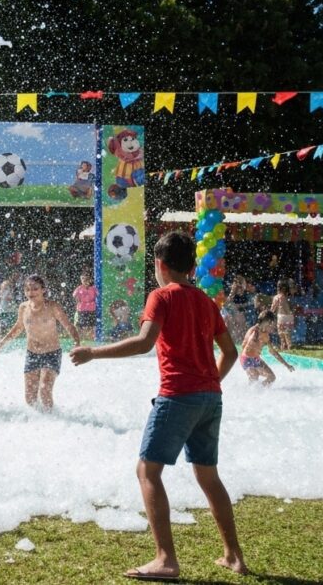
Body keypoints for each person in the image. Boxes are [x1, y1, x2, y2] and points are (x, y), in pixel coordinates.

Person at [69, 232, 246, 581]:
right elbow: (231, 352)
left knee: (147, 472)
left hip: (177, 395)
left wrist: (92, 353)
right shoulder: (207, 302)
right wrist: (210, 383)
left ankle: (166, 559)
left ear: (160, 265)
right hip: (210, 398)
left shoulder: (161, 296)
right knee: (208, 476)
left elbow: (143, 342)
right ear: (193, 266)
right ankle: (234, 556)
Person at [0, 274, 82, 411]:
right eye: (27, 289)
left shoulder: (53, 307)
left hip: (51, 353)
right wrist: (2, 342)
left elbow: (68, 325)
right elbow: (18, 328)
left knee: (44, 389)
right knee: (29, 396)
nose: (31, 293)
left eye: (35, 289)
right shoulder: (23, 308)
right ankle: (36, 424)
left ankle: (51, 419)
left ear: (43, 290)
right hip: (32, 354)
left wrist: (77, 343)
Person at [240, 310, 295, 386]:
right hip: (247, 359)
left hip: (254, 359)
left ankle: (259, 391)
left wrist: (286, 365)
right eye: (272, 324)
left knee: (270, 377)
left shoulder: (266, 336)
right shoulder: (254, 331)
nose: (273, 327)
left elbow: (273, 352)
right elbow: (244, 345)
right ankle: (254, 392)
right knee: (257, 377)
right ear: (267, 322)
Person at [223, 275, 249, 345]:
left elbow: (243, 303)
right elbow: (226, 304)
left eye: (240, 284)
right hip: (229, 311)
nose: (239, 286)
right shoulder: (229, 291)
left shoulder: (243, 293)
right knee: (230, 321)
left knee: (241, 322)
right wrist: (232, 291)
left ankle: (240, 341)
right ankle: (232, 342)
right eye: (237, 284)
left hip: (237, 311)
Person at [71, 273, 97, 341]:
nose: (85, 281)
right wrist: (78, 300)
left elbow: (98, 296)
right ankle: (80, 339)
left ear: (90, 280)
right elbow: (74, 296)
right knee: (80, 325)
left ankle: (91, 338)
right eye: (83, 279)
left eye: (86, 279)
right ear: (81, 280)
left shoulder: (93, 288)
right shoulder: (79, 288)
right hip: (82, 309)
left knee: (91, 325)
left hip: (91, 309)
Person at [270, 280, 294, 350]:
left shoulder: (277, 297)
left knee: (281, 333)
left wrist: (269, 313)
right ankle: (289, 344)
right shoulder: (287, 297)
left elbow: (273, 308)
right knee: (287, 332)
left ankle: (283, 345)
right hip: (290, 317)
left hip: (282, 317)